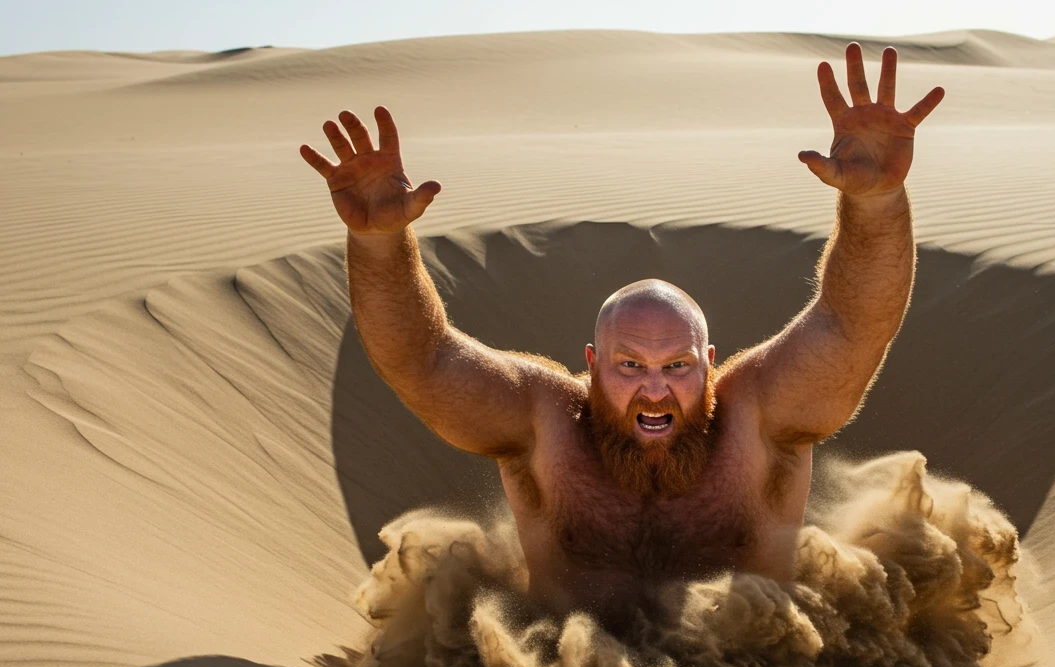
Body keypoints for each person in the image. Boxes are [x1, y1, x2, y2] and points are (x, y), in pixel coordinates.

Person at [300, 43, 945, 626]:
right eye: (630, 365)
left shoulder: (760, 417)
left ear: (710, 364)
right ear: (592, 363)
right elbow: (423, 360)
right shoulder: (542, 423)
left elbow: (851, 324)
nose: (655, 389)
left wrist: (877, 205)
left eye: (678, 365)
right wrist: (379, 242)